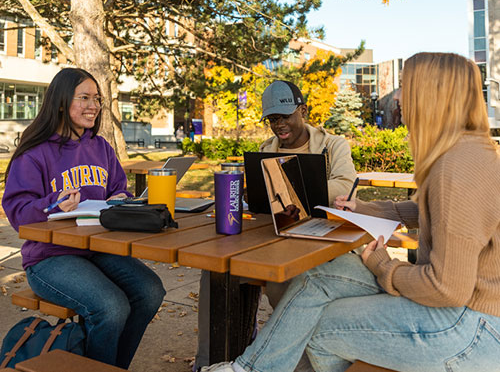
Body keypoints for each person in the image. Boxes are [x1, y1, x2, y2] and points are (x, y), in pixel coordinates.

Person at [201, 52, 500, 372]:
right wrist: (369, 208)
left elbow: (447, 288)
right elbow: (431, 211)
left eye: (404, 88)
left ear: (430, 96)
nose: (398, 99)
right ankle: (248, 369)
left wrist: (386, 267)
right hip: (460, 310)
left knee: (315, 327)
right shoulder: (465, 153)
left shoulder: (458, 168)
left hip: (468, 327)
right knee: (318, 275)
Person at [2, 68, 166, 369]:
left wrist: (122, 200)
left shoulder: (101, 147)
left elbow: (119, 188)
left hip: (98, 250)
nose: (94, 106)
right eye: (85, 98)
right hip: (49, 258)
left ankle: (111, 367)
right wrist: (54, 203)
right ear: (62, 102)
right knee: (110, 307)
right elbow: (17, 211)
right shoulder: (36, 152)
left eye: (98, 99)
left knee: (150, 291)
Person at [194, 80, 357, 371]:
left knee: (285, 281)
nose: (278, 125)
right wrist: (251, 192)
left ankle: (294, 360)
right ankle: (208, 361)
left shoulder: (333, 146)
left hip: (320, 240)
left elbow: (345, 186)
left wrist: (292, 192)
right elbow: (261, 201)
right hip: (271, 236)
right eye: (271, 119)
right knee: (216, 269)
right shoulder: (265, 149)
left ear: (303, 110)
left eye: (284, 117)